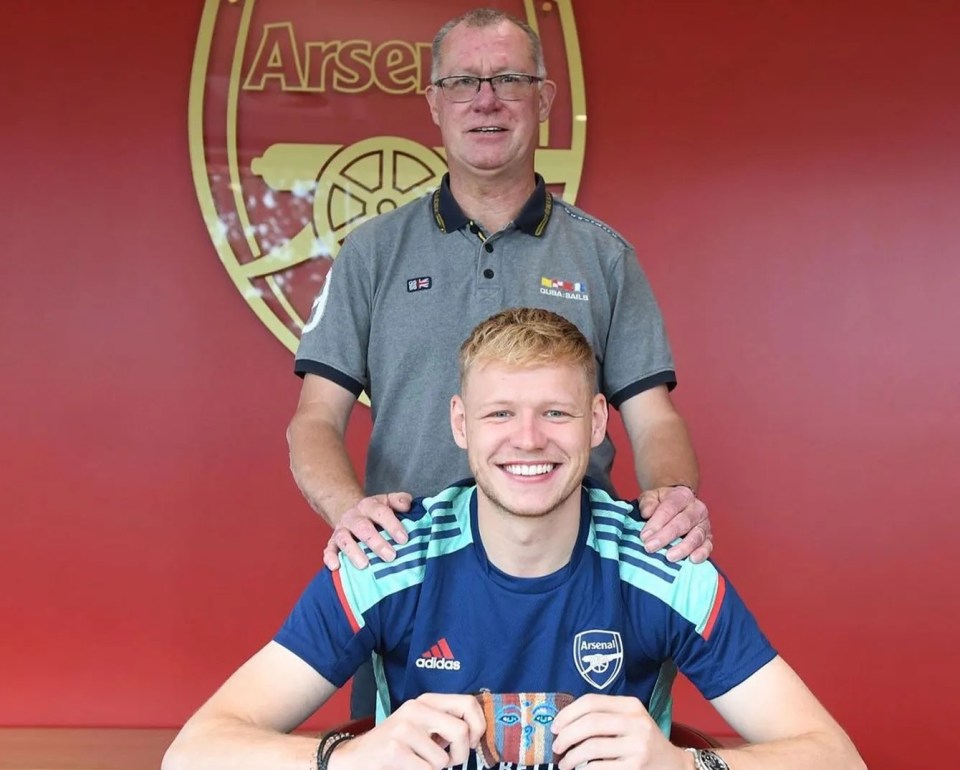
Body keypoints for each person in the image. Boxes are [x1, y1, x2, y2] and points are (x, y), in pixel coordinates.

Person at [165, 308, 865, 770]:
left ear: (597, 422)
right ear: (461, 424)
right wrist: (350, 758)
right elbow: (196, 749)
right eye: (500, 413)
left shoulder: (663, 564)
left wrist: (683, 765)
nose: (528, 440)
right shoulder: (387, 557)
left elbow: (835, 756)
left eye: (555, 412)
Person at [288, 7, 710, 718]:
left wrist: (673, 499)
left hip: (574, 602)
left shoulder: (604, 257)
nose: (486, 100)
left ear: (543, 100)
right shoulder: (372, 253)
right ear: (434, 104)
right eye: (463, 82)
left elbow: (654, 417)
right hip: (410, 595)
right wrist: (346, 513)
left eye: (509, 79)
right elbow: (311, 423)